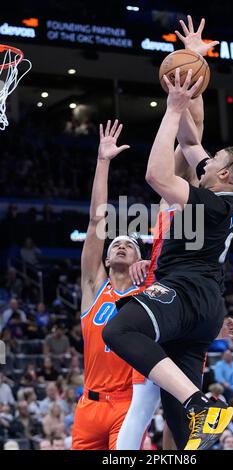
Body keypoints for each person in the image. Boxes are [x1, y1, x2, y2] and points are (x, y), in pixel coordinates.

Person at [102, 15, 233, 451]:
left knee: (119, 333)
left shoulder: (207, 200)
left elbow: (161, 169)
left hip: (184, 293)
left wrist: (171, 108)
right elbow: (192, 140)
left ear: (223, 173)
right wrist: (194, 63)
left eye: (213, 162)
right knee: (181, 438)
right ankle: (193, 406)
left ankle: (197, 401)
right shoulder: (221, 192)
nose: (203, 161)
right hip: (198, 304)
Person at [71, 120, 143, 450]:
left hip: (128, 403)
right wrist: (103, 162)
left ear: (141, 259)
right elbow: (96, 220)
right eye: (116, 243)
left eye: (129, 243)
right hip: (89, 404)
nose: (120, 244)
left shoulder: (146, 295)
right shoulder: (94, 285)